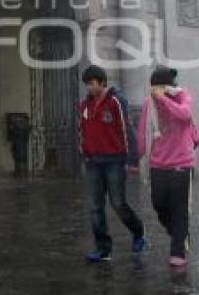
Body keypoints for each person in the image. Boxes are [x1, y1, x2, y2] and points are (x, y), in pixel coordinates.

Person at [78, 65, 146, 262]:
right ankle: (103, 249)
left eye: (91, 84)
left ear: (102, 82)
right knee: (94, 206)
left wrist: (132, 159)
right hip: (93, 162)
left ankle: (138, 232)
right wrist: (84, 152)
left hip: (114, 161)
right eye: (87, 84)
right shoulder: (84, 105)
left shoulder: (116, 101)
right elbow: (81, 130)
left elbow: (127, 130)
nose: (89, 88)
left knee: (118, 203)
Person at [136, 66, 199, 267]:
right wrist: (136, 157)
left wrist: (163, 99)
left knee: (180, 209)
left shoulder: (183, 97)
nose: (155, 91)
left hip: (182, 163)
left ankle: (178, 251)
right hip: (158, 164)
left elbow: (185, 115)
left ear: (168, 87)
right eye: (153, 87)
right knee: (158, 203)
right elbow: (143, 130)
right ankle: (179, 234)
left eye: (159, 86)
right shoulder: (149, 103)